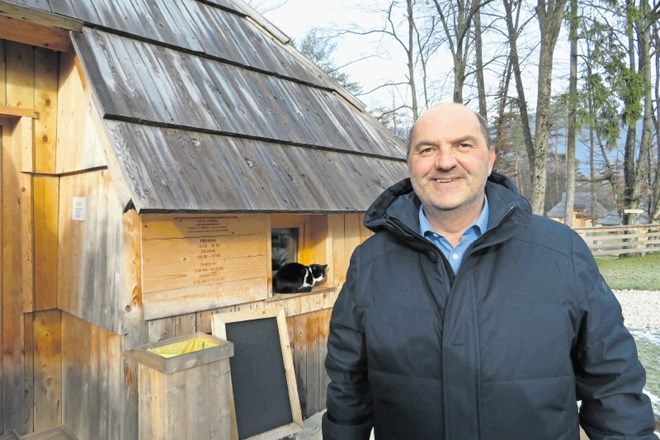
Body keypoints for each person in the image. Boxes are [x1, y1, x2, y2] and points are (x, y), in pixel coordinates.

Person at [322, 102, 658, 439]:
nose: (445, 161)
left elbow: (613, 387)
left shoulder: (561, 253)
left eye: (463, 145)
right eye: (427, 149)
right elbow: (347, 391)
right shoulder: (370, 264)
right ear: (410, 162)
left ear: (490, 158)